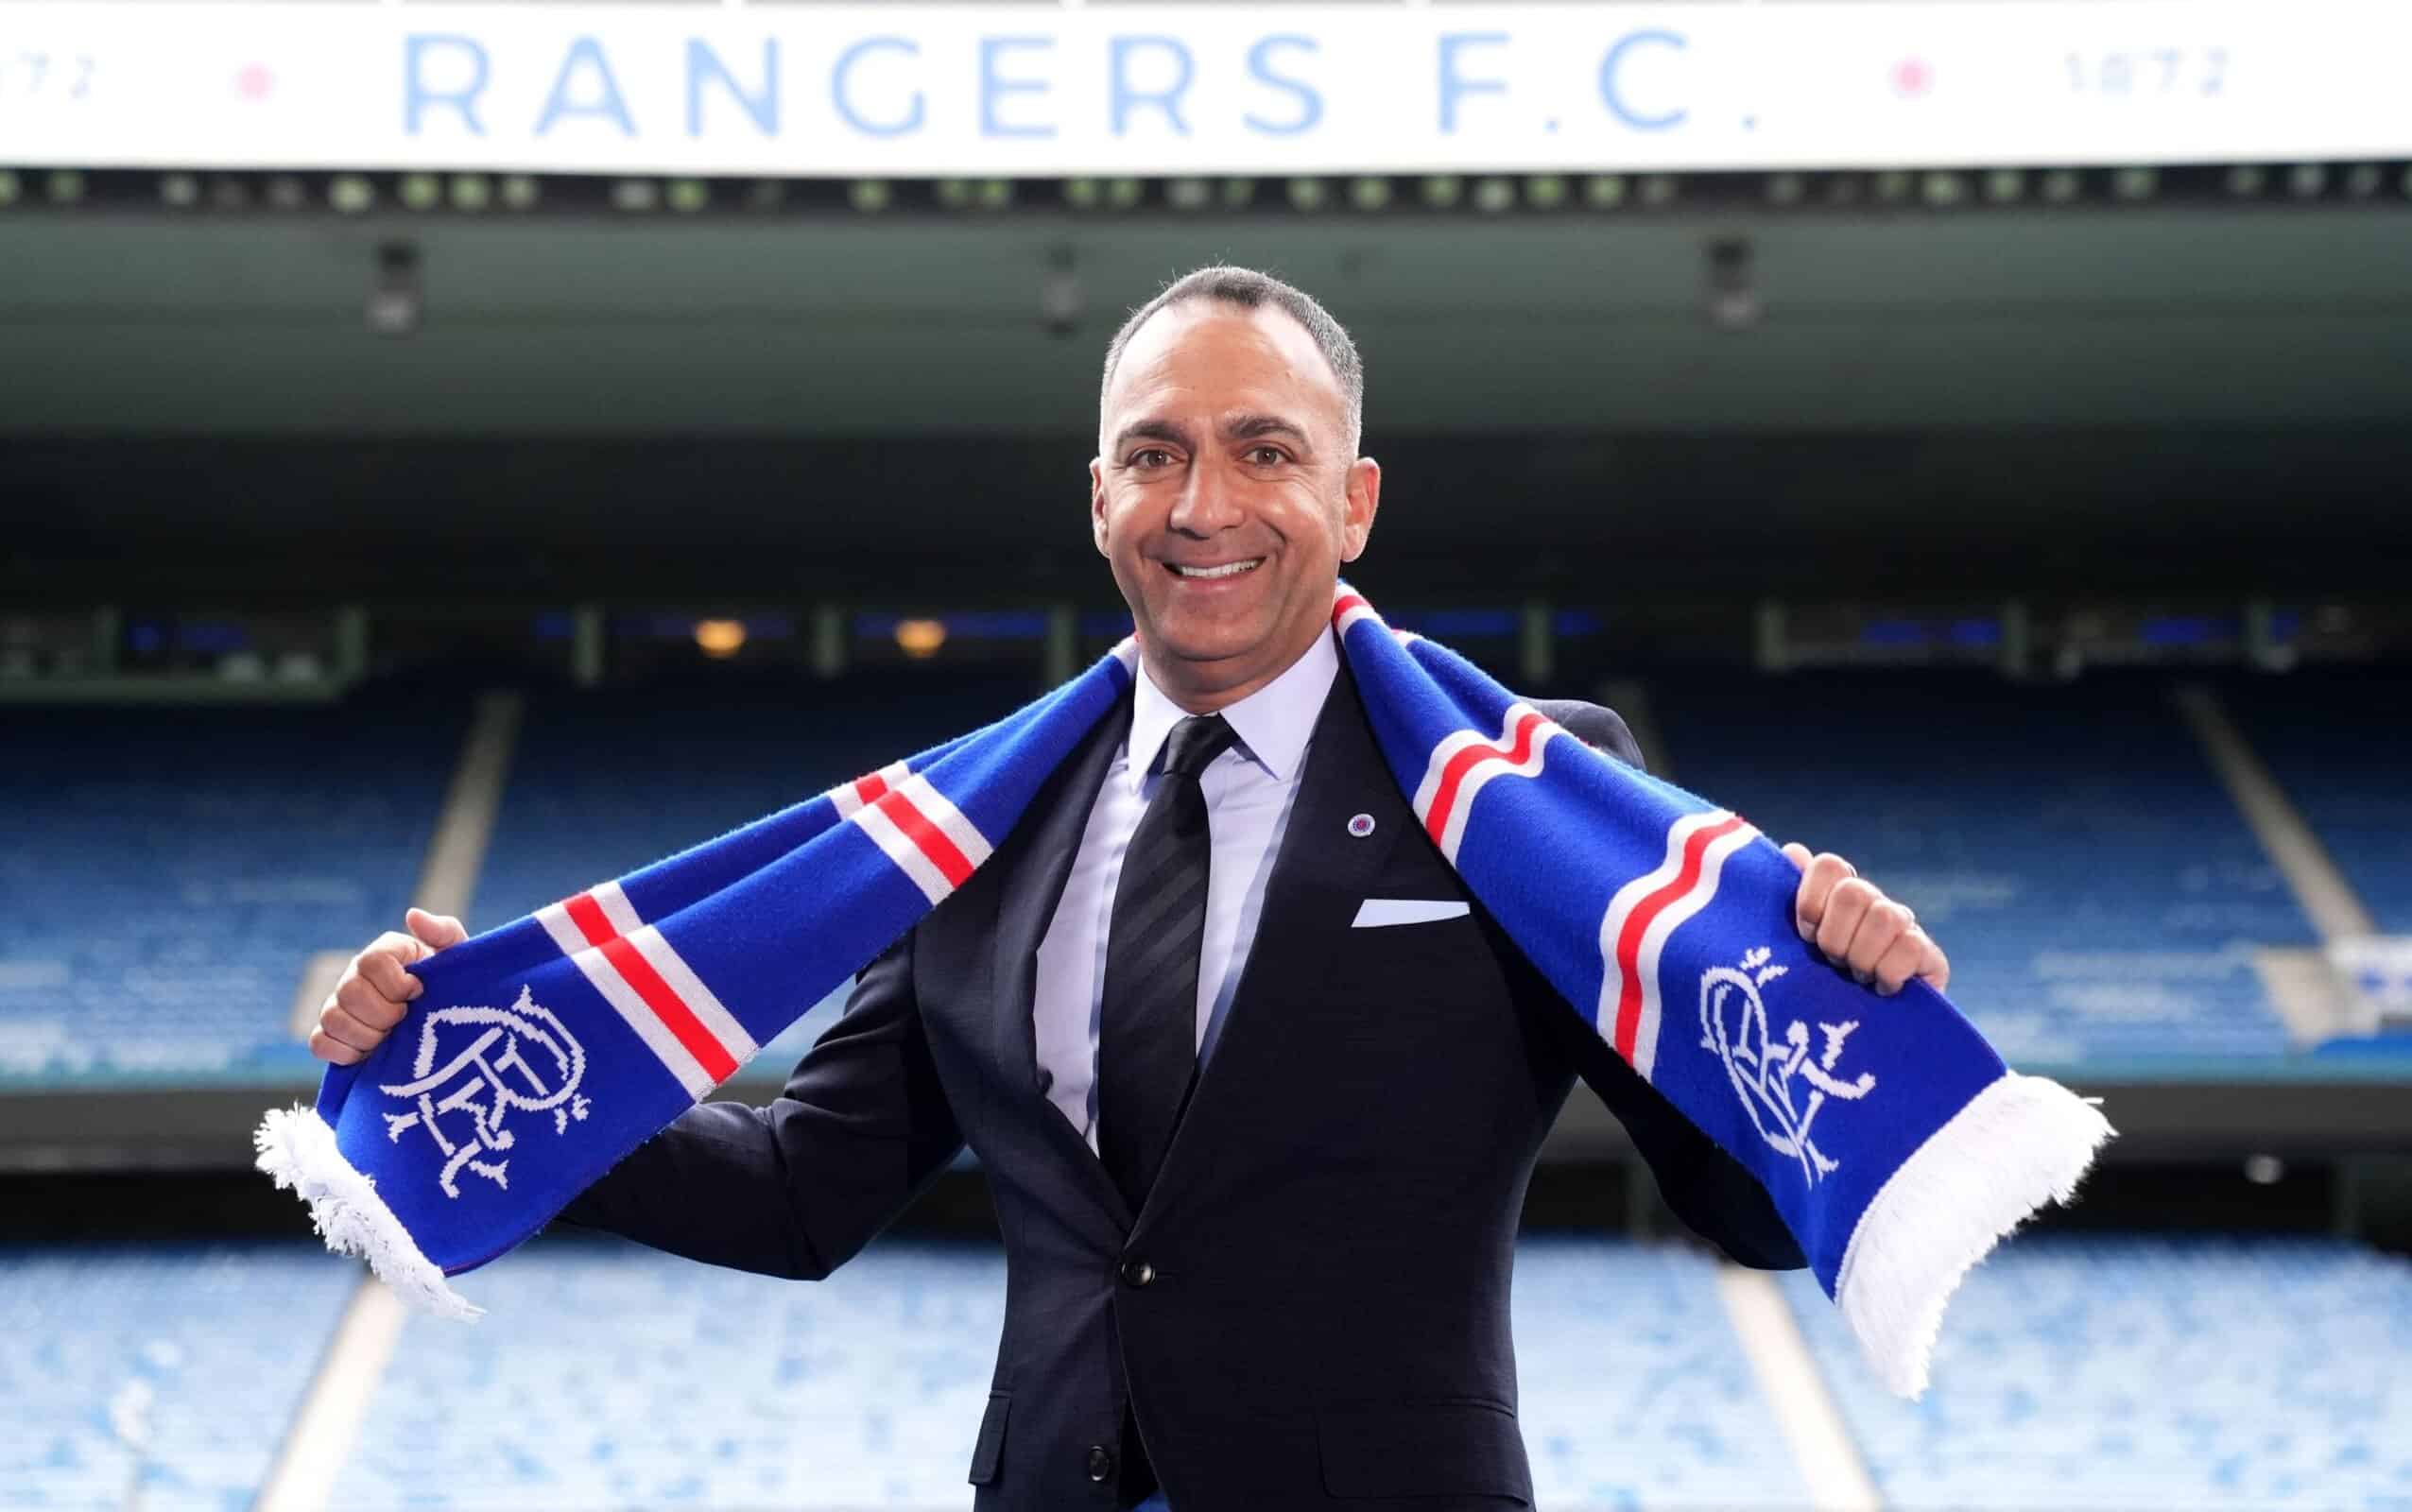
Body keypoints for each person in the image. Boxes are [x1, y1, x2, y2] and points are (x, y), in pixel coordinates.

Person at [313, 266, 1949, 1511]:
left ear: (1355, 499)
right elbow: (806, 1193)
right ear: (1099, 498)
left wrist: (1846, 1002)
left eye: (1264, 452)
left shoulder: (1525, 787)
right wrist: (486, 1077)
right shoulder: (977, 816)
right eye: (1154, 455)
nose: (1205, 507)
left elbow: (1739, 1205)